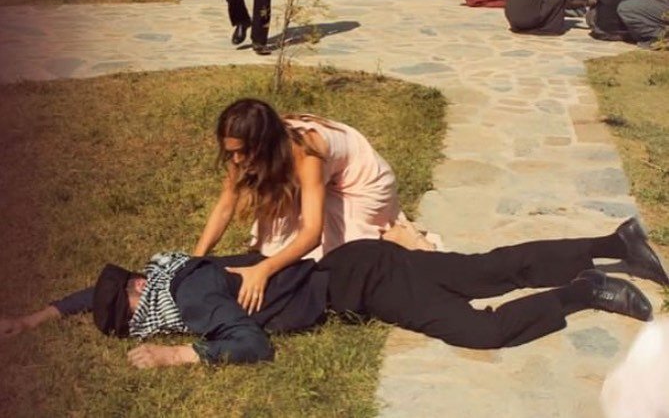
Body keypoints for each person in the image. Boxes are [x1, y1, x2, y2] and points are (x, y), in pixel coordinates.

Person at [3, 218, 667, 367]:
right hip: (360, 263)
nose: (141, 316)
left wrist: (178, 355)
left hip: (366, 282)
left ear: (142, 306)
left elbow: (251, 343)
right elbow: (97, 292)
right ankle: (614, 242)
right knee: (491, 268)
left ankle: (585, 290)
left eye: (131, 317)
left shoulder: (193, 302)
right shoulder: (175, 271)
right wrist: (34, 318)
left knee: (481, 328)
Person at [193, 98, 404, 314]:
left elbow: (312, 233)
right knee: (277, 248)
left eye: (242, 152)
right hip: (326, 178)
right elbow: (225, 206)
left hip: (360, 183)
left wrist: (263, 270)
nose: (236, 160)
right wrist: (194, 262)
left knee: (334, 262)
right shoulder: (240, 152)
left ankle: (392, 235)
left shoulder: (306, 151)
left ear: (263, 144)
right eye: (231, 152)